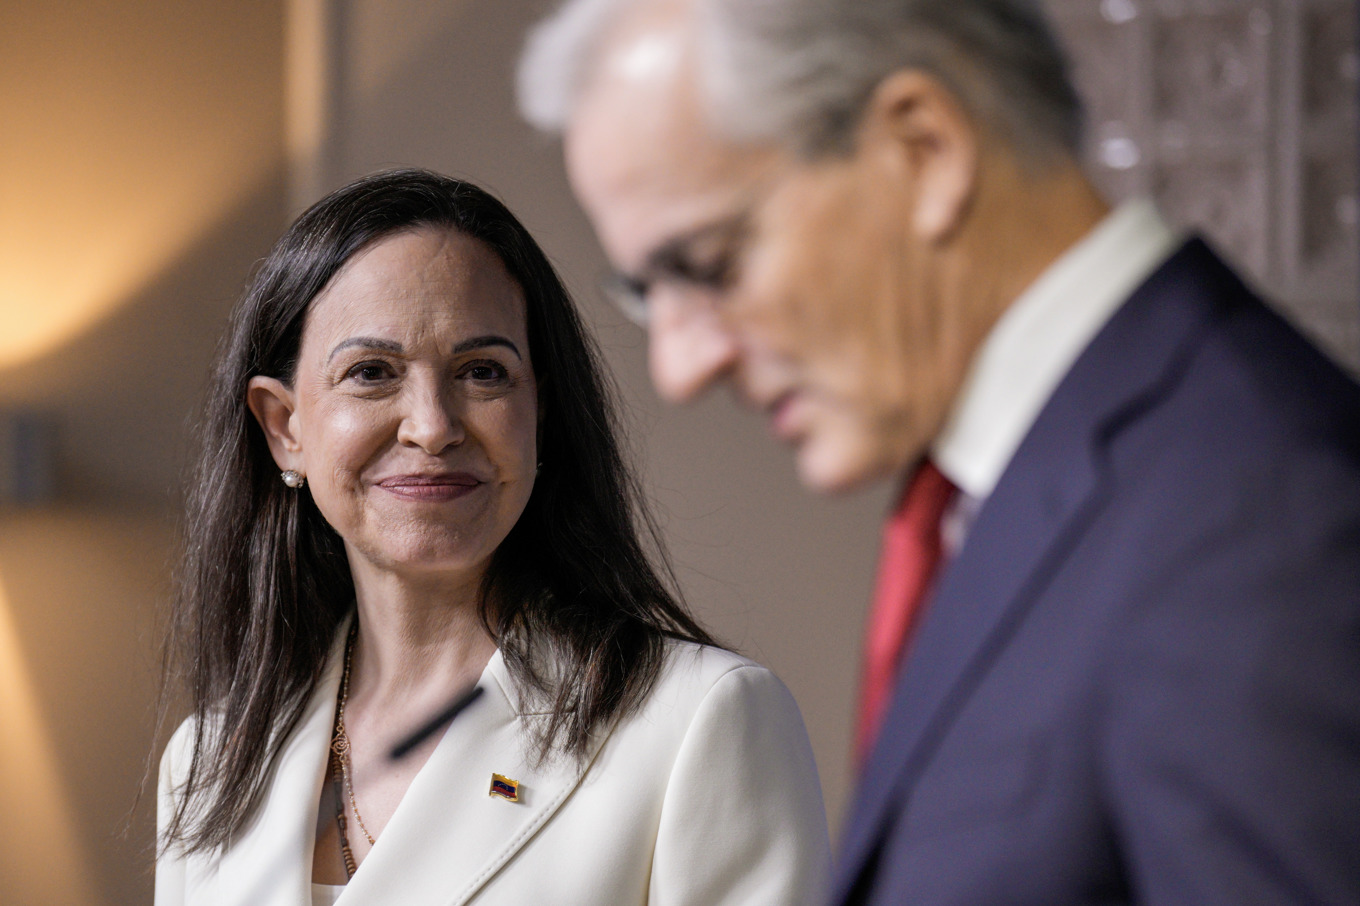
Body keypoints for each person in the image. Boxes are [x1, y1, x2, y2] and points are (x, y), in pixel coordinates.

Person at [518, 1, 1360, 903]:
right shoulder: (1022, 495)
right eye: (649, 292)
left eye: (710, 263)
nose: (682, 367)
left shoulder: (1259, 517)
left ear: (924, 150)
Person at [154, 168, 830, 906]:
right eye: (372, 372)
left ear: (540, 412)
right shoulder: (208, 762)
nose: (433, 425)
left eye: (482, 372)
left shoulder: (701, 720)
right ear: (285, 429)